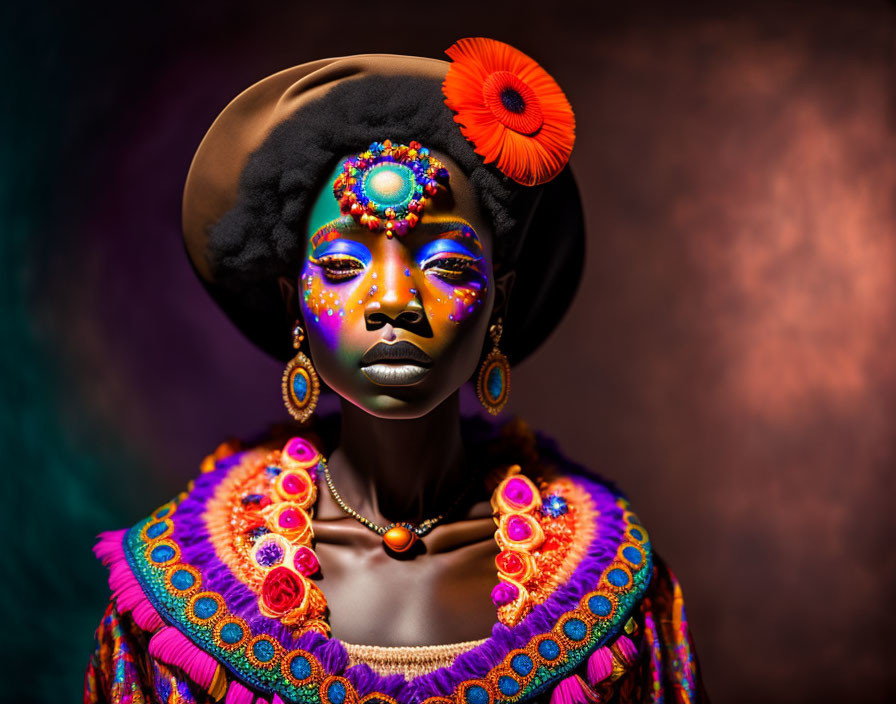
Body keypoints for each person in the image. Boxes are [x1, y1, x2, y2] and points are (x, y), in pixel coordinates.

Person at [84, 38, 708, 704]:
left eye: (447, 266)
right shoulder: (177, 587)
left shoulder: (610, 585)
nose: (392, 303)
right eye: (344, 267)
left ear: (499, 297)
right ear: (293, 297)